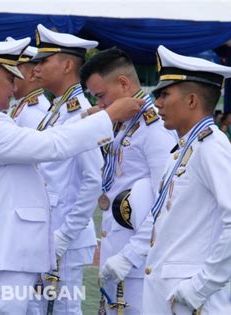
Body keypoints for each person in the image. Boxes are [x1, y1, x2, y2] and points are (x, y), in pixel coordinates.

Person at [0, 37, 142, 314]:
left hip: (2, 255)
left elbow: (52, 142)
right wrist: (109, 115)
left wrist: (87, 119)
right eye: (8, 77)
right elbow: (50, 145)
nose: (15, 86)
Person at [100, 45, 231, 315]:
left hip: (190, 299)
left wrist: (201, 286)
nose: (157, 102)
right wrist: (130, 257)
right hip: (168, 294)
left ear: (192, 100)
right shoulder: (183, 149)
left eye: (164, 94)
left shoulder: (211, 147)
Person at [80, 47, 176, 314]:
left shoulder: (154, 128)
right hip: (118, 250)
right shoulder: (123, 124)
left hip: (138, 262)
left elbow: (165, 200)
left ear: (123, 83)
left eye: (101, 96)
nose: (99, 104)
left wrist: (130, 255)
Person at [31, 24, 104, 314]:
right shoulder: (57, 110)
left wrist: (66, 234)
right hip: (50, 230)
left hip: (65, 236)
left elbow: (92, 178)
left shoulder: (79, 112)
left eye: (43, 61)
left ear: (67, 65)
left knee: (62, 309)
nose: (36, 68)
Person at [6, 39, 50, 129]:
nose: (9, 74)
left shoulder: (35, 111)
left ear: (32, 75)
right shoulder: (19, 104)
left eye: (14, 69)